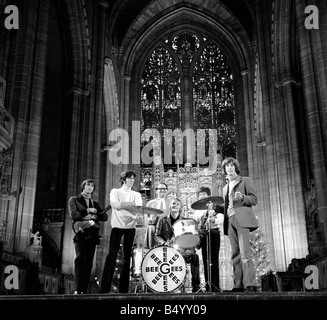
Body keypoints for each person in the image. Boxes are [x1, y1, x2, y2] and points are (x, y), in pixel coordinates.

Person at [100, 170, 143, 293]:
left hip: (130, 227)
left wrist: (122, 205)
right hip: (117, 226)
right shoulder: (115, 191)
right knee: (111, 256)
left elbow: (138, 207)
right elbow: (114, 204)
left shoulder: (136, 194)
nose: (132, 181)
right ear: (124, 179)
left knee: (127, 257)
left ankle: (123, 289)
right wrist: (130, 205)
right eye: (130, 178)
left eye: (133, 179)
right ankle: (104, 288)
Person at [221, 157, 259, 292]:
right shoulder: (225, 188)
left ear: (235, 167)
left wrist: (242, 197)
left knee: (245, 253)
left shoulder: (245, 181)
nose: (229, 168)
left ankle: (250, 284)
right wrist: (216, 208)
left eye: (231, 166)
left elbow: (254, 199)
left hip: (242, 219)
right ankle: (238, 285)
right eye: (227, 166)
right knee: (235, 254)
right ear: (224, 169)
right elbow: (227, 206)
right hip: (229, 220)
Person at [68, 179, 108, 294]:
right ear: (83, 187)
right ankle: (78, 289)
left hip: (92, 236)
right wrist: (88, 211)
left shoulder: (95, 203)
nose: (90, 187)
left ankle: (84, 291)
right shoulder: (74, 200)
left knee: (88, 264)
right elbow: (74, 215)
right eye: (88, 185)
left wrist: (94, 215)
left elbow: (104, 217)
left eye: (92, 186)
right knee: (80, 260)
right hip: (80, 234)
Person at [155, 197, 201, 292]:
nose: (175, 205)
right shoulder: (162, 220)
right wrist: (164, 243)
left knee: (194, 257)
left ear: (180, 207)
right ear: (169, 206)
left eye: (177, 204)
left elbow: (187, 238)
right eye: (173, 203)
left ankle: (196, 286)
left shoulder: (185, 221)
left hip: (181, 251)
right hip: (167, 251)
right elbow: (157, 236)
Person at [193, 186, 224, 292]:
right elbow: (195, 223)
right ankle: (207, 285)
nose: (202, 195)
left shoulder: (215, 206)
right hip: (204, 236)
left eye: (204, 194)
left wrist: (213, 220)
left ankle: (215, 285)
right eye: (200, 194)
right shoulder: (197, 211)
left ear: (208, 195)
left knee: (214, 260)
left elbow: (221, 219)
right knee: (206, 260)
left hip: (214, 234)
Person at [145, 182, 170, 248]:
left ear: (167, 191)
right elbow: (147, 218)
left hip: (166, 229)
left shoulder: (171, 202)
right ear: (156, 191)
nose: (162, 190)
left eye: (164, 189)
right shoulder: (150, 203)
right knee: (154, 250)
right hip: (154, 228)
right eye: (160, 189)